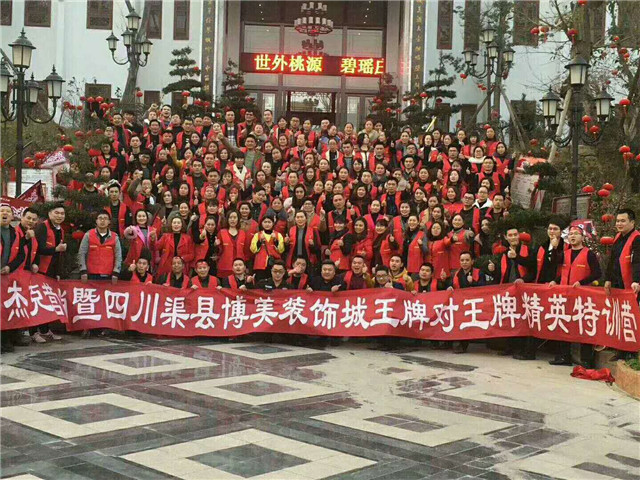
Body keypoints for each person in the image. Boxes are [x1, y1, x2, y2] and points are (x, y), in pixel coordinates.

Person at [548, 226, 601, 366]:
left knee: (584, 327)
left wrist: (582, 282)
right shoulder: (565, 253)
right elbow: (556, 265)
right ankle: (564, 357)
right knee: (564, 325)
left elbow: (597, 273)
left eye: (576, 234)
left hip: (583, 297)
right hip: (565, 296)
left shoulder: (589, 254)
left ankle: (586, 360)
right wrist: (556, 280)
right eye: (570, 234)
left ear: (582, 237)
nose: (572, 236)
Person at [489, 227, 537, 360]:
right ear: (506, 237)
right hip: (509, 291)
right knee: (511, 319)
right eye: (510, 235)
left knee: (526, 321)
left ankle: (527, 351)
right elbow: (502, 274)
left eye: (515, 234)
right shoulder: (504, 253)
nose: (513, 237)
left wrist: (523, 278)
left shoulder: (529, 250)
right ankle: (510, 347)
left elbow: (533, 269)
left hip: (525, 291)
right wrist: (493, 270)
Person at [1, 206, 39, 351]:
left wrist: (9, 267)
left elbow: (21, 254)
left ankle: (7, 340)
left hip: (9, 275)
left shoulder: (15, 233)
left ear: (13, 216)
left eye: (8, 212)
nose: (5, 213)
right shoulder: (18, 231)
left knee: (8, 308)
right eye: (2, 211)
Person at [448, 251, 485, 353]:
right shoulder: (456, 274)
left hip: (474, 303)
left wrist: (472, 282)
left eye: (467, 260)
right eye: (462, 260)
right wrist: (449, 286)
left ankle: (463, 344)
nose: (464, 262)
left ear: (472, 261)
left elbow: (484, 287)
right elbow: (451, 285)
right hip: (460, 303)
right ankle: (457, 344)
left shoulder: (479, 272)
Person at [77, 210, 122, 284]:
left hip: (109, 275)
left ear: (109, 221)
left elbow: (118, 256)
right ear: (96, 221)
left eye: (105, 218)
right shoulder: (88, 235)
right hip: (90, 275)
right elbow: (81, 253)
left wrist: (116, 272)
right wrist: (83, 270)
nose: (102, 221)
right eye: (100, 218)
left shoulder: (115, 237)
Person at [604, 208, 640, 295]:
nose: (619, 224)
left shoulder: (637, 239)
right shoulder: (617, 237)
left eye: (623, 221)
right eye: (618, 221)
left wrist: (636, 281)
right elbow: (612, 259)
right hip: (617, 283)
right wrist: (608, 279)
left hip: (632, 284)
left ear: (632, 222)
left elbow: (637, 261)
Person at [250, 215, 285, 281]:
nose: (267, 224)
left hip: (274, 265)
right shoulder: (257, 235)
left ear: (273, 223)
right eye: (265, 222)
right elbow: (253, 249)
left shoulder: (278, 235)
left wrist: (275, 240)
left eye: (269, 222)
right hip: (260, 265)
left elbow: (281, 250)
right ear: (262, 223)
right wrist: (260, 241)